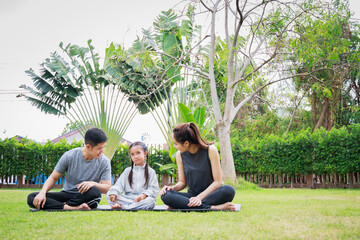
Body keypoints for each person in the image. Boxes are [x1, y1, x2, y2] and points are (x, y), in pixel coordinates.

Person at [27, 127, 111, 210]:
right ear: (88, 147)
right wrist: (42, 193)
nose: (102, 151)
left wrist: (92, 183)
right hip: (66, 194)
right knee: (32, 197)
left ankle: (62, 206)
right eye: (99, 148)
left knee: (95, 192)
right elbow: (53, 177)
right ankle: (72, 207)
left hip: (85, 196)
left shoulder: (104, 161)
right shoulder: (69, 156)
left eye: (103, 147)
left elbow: (107, 187)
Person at [161, 122, 236, 211]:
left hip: (211, 194)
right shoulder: (179, 155)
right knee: (166, 195)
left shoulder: (211, 150)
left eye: (176, 143)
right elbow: (182, 182)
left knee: (229, 190)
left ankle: (184, 205)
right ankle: (213, 207)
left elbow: (218, 182)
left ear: (186, 143)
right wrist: (172, 188)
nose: (174, 146)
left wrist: (199, 198)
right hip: (192, 196)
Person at [106, 141, 159, 210]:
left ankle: (124, 207)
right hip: (128, 199)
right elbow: (118, 185)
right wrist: (114, 193)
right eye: (132, 154)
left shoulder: (151, 172)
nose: (136, 156)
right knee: (109, 195)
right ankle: (132, 206)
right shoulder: (127, 171)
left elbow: (154, 189)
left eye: (138, 153)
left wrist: (145, 194)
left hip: (143, 200)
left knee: (151, 201)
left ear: (145, 153)